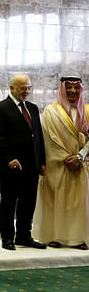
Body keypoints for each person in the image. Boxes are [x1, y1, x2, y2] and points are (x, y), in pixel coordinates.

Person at [0, 74, 46, 250]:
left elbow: (38, 137)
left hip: (32, 164)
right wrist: (8, 159)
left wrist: (42, 161)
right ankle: (7, 237)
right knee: (9, 201)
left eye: (29, 87)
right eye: (23, 88)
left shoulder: (33, 108)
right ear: (12, 88)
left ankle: (24, 235)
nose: (26, 91)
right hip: (13, 164)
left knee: (28, 201)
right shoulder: (1, 108)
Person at [33, 76, 89, 249]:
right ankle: (55, 236)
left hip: (82, 165)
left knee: (79, 203)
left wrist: (80, 156)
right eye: (68, 87)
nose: (72, 91)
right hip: (57, 165)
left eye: (76, 88)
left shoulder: (87, 110)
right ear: (62, 89)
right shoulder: (51, 110)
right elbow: (49, 139)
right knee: (56, 201)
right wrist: (66, 158)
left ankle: (79, 238)